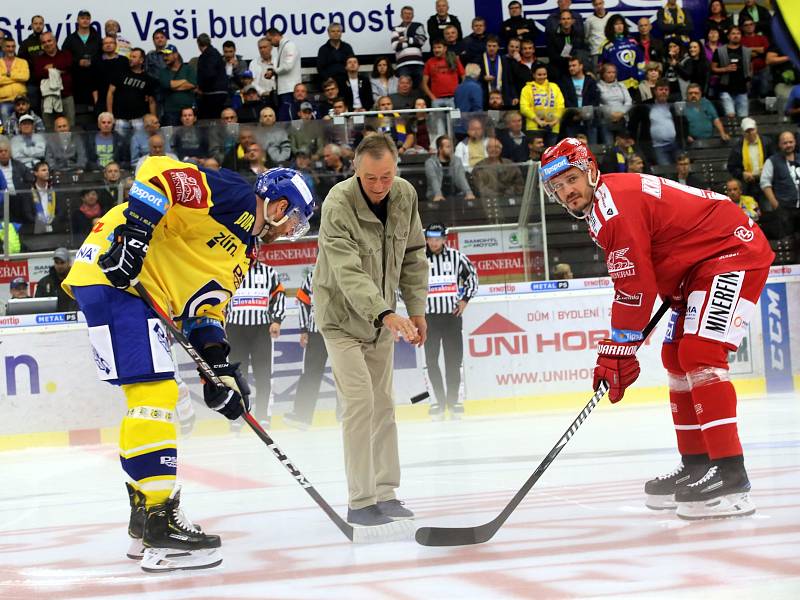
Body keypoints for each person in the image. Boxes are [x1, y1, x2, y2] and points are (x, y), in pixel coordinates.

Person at [62, 160, 314, 572]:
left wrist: (217, 370)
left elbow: (204, 308)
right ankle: (161, 526)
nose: (291, 229)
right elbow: (158, 173)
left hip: (122, 287)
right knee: (155, 393)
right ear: (279, 204)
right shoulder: (236, 195)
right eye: (295, 219)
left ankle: (145, 521)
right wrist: (135, 236)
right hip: (118, 277)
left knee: (143, 398)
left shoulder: (245, 252)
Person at [539, 137, 774, 520]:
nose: (567, 191)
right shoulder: (603, 206)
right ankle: (697, 463)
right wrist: (623, 344)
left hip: (730, 252)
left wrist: (619, 347)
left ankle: (731, 472)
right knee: (674, 356)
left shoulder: (612, 207)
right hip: (699, 263)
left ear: (590, 169)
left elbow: (636, 287)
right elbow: (648, 269)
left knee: (699, 353)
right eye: (558, 187)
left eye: (571, 179)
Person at [313, 133, 428, 529]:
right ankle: (361, 501)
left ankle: (386, 492)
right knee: (360, 401)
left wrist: (417, 309)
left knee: (384, 404)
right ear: (356, 171)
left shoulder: (405, 195)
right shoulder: (337, 204)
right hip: (342, 317)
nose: (379, 186)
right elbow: (347, 270)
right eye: (370, 178)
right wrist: (385, 313)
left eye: (386, 177)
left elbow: (414, 254)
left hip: (385, 319)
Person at [422, 222, 477, 419]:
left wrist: (464, 300)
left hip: (452, 317)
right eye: (430, 239)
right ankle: (436, 402)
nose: (433, 243)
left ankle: (455, 402)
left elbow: (472, 278)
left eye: (437, 239)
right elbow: (402, 284)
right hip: (428, 319)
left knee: (454, 361)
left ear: (444, 239)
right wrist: (415, 307)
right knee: (430, 362)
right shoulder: (417, 259)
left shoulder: (456, 257)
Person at [226, 259, 286, 430]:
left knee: (263, 375)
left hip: (261, 329)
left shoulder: (268, 272)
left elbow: (279, 295)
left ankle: (263, 417)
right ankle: (238, 417)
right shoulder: (227, 268)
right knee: (237, 376)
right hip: (235, 329)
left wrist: (277, 320)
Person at [283, 270, 331, 429]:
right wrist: (304, 329)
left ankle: (346, 416)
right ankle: (302, 415)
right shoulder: (313, 274)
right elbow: (302, 300)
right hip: (316, 332)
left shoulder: (347, 268)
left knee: (347, 375)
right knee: (310, 374)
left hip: (343, 332)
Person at [107, 47, 157, 139]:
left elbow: (151, 101)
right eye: (130, 56)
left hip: (139, 118)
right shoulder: (120, 73)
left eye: (134, 57)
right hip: (120, 117)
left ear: (141, 60)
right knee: (120, 144)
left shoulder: (148, 79)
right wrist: (110, 114)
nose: (131, 59)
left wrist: (153, 118)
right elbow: (110, 93)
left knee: (140, 143)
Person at [61, 10, 102, 118]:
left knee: (96, 113)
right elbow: (64, 57)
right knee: (78, 114)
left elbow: (102, 56)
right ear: (78, 20)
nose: (85, 20)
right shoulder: (70, 39)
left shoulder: (97, 38)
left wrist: (92, 62)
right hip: (76, 80)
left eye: (87, 18)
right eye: (82, 18)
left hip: (95, 79)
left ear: (90, 20)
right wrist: (77, 62)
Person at [759, 131, 800, 239]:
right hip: (785, 208)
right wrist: (775, 204)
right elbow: (765, 183)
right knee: (787, 241)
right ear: (779, 144)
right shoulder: (772, 161)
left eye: (790, 142)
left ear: (795, 142)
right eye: (785, 143)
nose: (788, 145)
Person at [32, 31, 75, 130]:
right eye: (44, 42)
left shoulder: (66, 54)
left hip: (66, 97)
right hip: (47, 98)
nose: (47, 44)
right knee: (49, 129)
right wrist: (59, 70)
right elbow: (38, 74)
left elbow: (69, 66)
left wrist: (52, 67)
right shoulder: (39, 59)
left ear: (55, 41)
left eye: (49, 41)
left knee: (70, 127)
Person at [711, 27, 751, 120]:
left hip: (742, 89)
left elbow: (750, 68)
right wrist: (725, 69)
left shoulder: (747, 51)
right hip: (726, 88)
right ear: (728, 36)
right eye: (733, 33)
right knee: (730, 117)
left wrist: (749, 81)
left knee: (744, 119)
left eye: (738, 33)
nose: (736, 36)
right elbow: (713, 68)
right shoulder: (719, 51)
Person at [519, 64, 564, 146]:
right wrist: (538, 121)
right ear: (534, 75)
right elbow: (524, 107)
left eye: (544, 74)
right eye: (539, 75)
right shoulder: (526, 89)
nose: (542, 77)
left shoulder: (554, 87)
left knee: (550, 154)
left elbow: (560, 105)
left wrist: (555, 121)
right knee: (536, 153)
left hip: (553, 127)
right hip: (534, 127)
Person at [425, 135, 474, 202]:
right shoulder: (430, 163)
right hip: (435, 196)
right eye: (448, 147)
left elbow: (461, 177)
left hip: (455, 195)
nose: (451, 149)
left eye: (451, 147)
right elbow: (433, 180)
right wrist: (438, 195)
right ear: (440, 149)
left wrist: (469, 193)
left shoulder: (457, 160)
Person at [158, 45, 196, 126]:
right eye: (164, 55)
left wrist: (173, 86)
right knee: (172, 137)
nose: (165, 57)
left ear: (176, 55)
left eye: (167, 55)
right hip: (171, 111)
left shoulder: (188, 69)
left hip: (188, 111)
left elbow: (192, 85)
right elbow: (167, 85)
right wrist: (184, 80)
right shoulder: (163, 72)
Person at [267, 28, 301, 114]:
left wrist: (274, 71)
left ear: (276, 36)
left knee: (290, 116)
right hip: (284, 89)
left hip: (290, 89)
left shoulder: (289, 46)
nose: (270, 43)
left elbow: (288, 66)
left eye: (270, 40)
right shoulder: (283, 46)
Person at [392, 6, 427, 88]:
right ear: (401, 15)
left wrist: (406, 39)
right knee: (404, 88)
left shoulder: (418, 25)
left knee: (422, 88)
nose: (407, 15)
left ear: (413, 16)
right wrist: (413, 41)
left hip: (418, 64)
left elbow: (421, 41)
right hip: (403, 65)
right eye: (405, 13)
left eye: (410, 14)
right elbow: (395, 46)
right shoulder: (395, 29)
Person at [196, 34, 228, 120]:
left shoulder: (206, 56)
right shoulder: (215, 53)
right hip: (220, 92)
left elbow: (209, 73)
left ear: (198, 44)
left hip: (212, 94)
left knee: (212, 121)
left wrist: (200, 87)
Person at [35, 247, 78, 311]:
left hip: (75, 317)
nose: (59, 266)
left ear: (69, 262)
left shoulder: (76, 281)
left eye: (62, 262)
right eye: (57, 262)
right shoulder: (44, 282)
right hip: (51, 318)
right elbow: (37, 305)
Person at [0, 37, 30, 123]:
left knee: (24, 124)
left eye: (13, 46)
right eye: (8, 46)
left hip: (21, 100)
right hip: (4, 101)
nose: (11, 49)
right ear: (3, 48)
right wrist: (17, 78)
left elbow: (25, 77)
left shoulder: (23, 62)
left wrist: (8, 75)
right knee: (6, 126)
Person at [317, 23, 354, 90]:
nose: (336, 33)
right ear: (328, 33)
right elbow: (320, 68)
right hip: (329, 81)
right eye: (333, 31)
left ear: (341, 33)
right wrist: (328, 79)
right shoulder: (323, 49)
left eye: (338, 31)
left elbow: (352, 63)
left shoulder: (347, 47)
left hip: (346, 80)